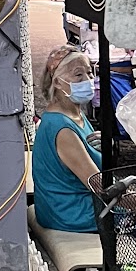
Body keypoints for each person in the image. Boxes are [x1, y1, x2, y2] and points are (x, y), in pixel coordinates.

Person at [32, 44, 101, 233]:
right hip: (72, 214)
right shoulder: (61, 127)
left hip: (73, 207)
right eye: (78, 75)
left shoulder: (75, 114)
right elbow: (99, 185)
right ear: (57, 82)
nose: (88, 80)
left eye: (89, 73)